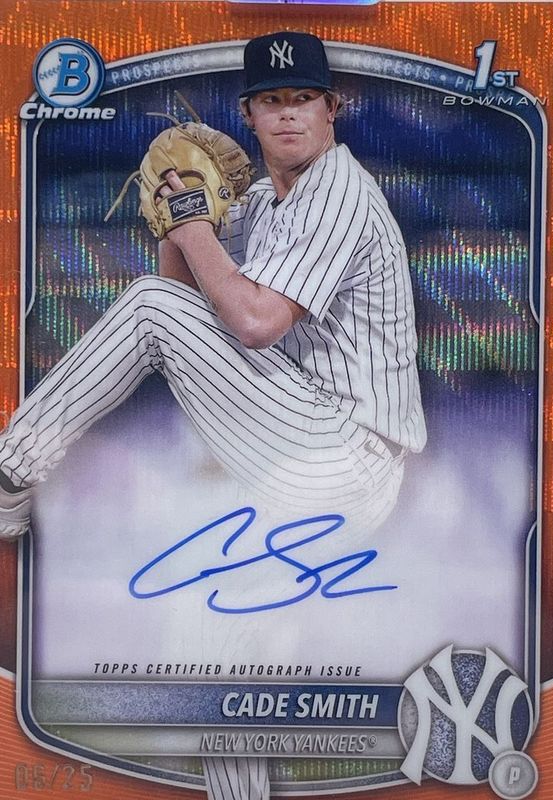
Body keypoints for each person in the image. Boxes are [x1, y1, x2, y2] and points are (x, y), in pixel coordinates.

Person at [0, 31, 426, 800]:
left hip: (343, 453)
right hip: (299, 454)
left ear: (332, 109)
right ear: (249, 114)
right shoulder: (263, 202)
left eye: (303, 98)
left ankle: (10, 471)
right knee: (213, 650)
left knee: (145, 307)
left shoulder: (338, 190)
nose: (288, 113)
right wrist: (175, 217)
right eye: (272, 99)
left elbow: (253, 322)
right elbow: (187, 302)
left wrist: (193, 220)